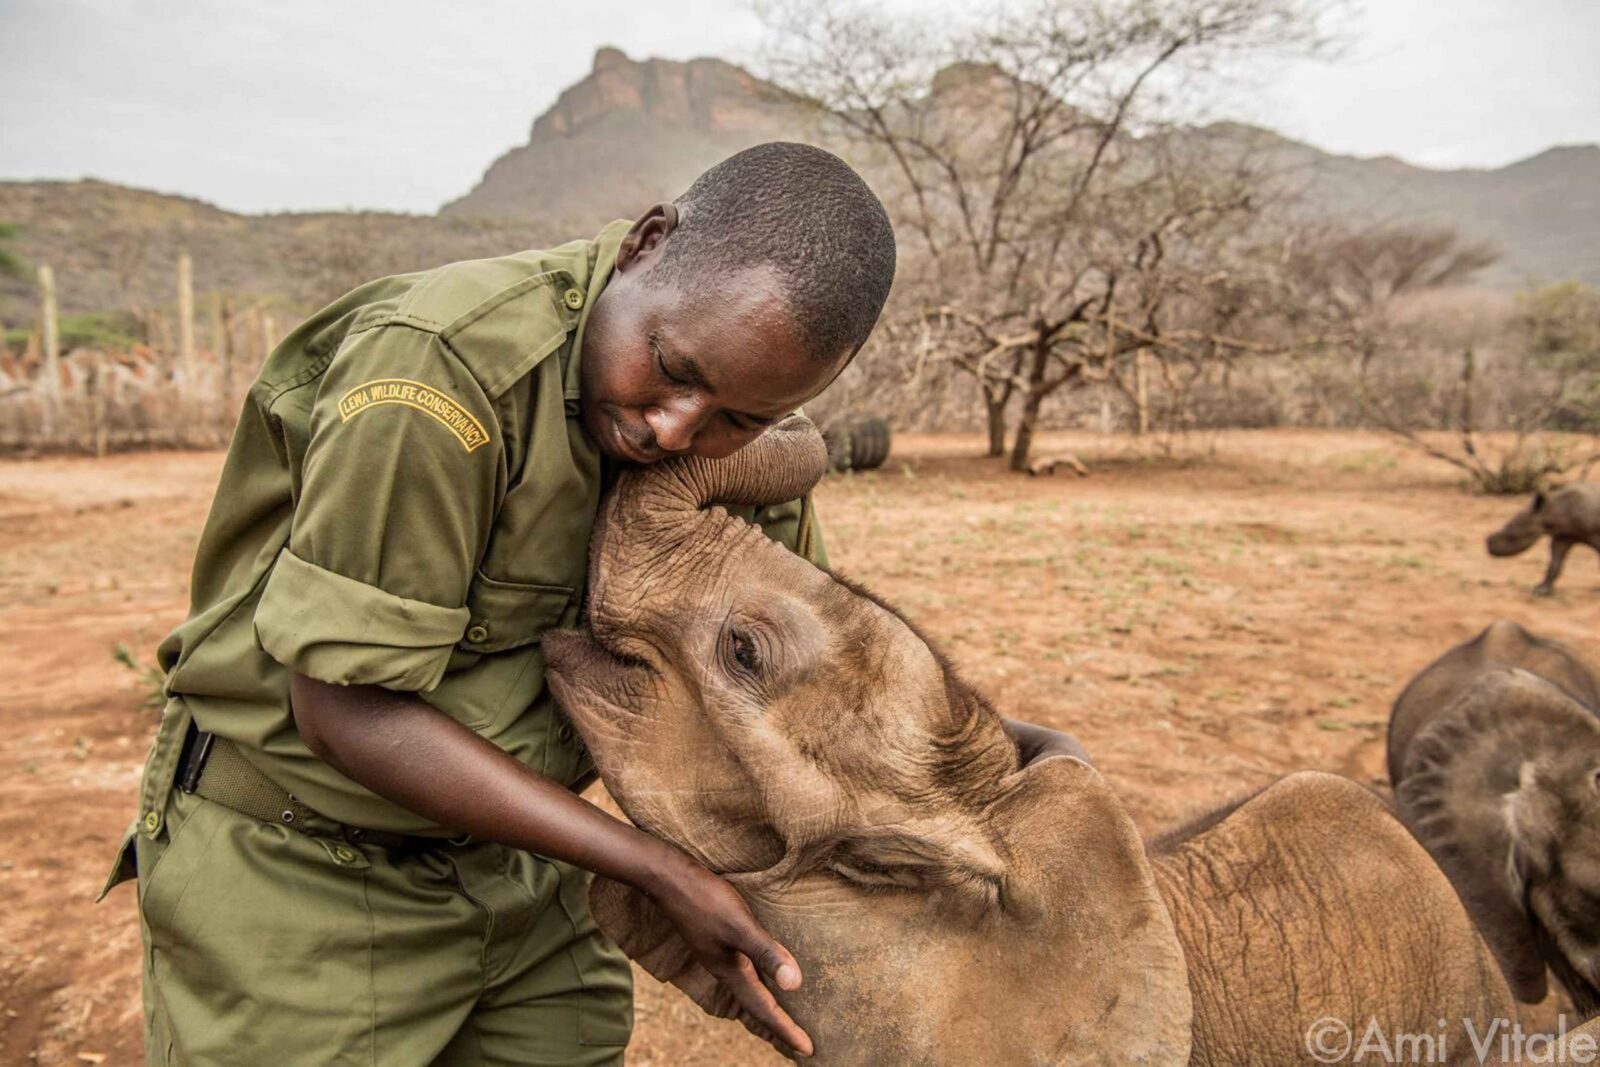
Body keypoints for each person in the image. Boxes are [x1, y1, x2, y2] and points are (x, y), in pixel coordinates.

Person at [101, 141, 1080, 1065]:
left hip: (522, 870)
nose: (673, 428)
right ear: (646, 244)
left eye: (740, 417)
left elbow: (793, 686)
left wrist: (981, 752)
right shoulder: (440, 375)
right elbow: (345, 707)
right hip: (300, 869)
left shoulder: (734, 432)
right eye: (672, 369)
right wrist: (653, 870)